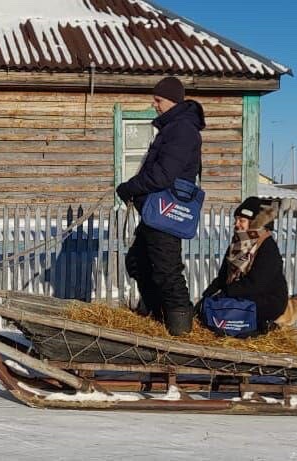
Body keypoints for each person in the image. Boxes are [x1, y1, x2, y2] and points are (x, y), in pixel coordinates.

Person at [116, 76, 203, 336]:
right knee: (138, 262)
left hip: (166, 211)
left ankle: (180, 332)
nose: (154, 104)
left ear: (172, 101)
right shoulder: (173, 128)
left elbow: (164, 175)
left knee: (167, 270)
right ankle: (159, 317)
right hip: (155, 212)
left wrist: (130, 187)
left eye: (158, 100)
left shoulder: (182, 130)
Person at [201, 197, 289, 334]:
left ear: (253, 223)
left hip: (267, 300)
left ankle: (262, 327)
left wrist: (227, 293)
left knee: (227, 314)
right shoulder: (236, 245)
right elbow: (223, 276)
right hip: (241, 294)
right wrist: (207, 296)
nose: (237, 224)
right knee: (210, 309)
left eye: (242, 221)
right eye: (235, 220)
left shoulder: (266, 246)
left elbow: (257, 283)